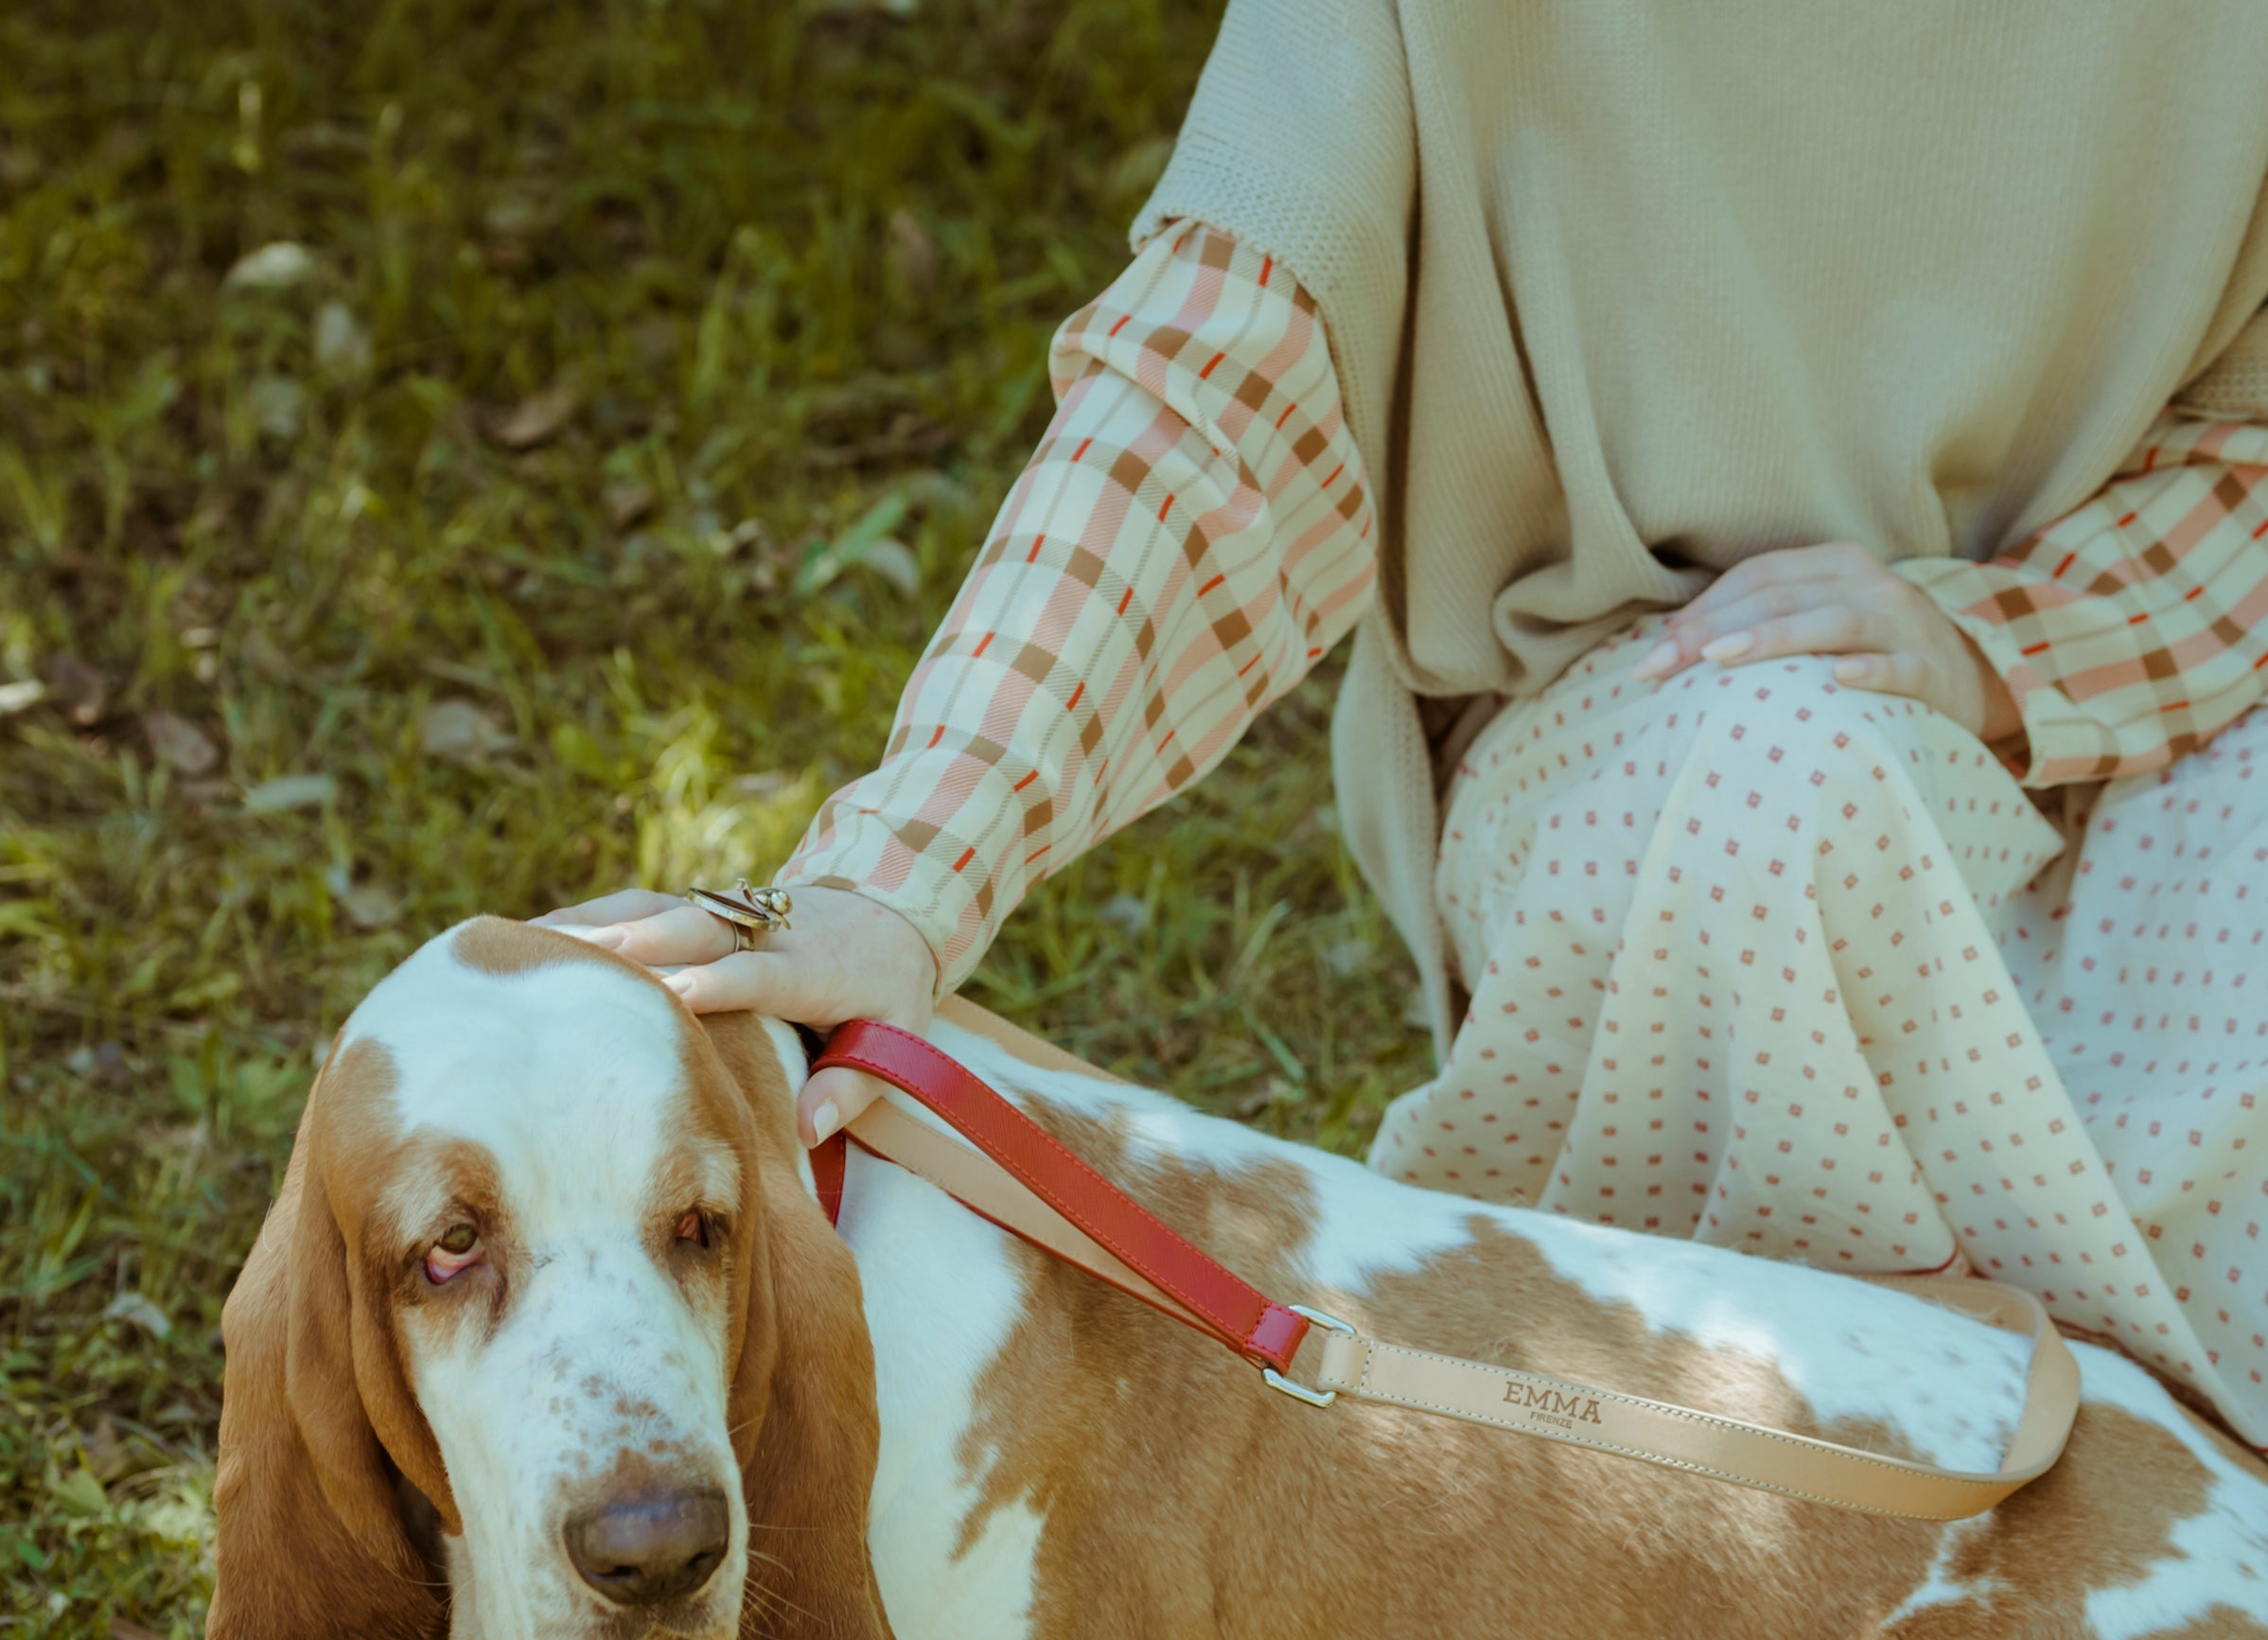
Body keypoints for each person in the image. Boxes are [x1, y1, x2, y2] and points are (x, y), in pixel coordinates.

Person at [547, 0, 2268, 1448]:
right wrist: (905, 870)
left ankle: (2172, 1522)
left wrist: (2001, 644)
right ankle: (1905, 1513)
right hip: (1667, 737)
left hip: (2138, 680)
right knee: (1779, 788)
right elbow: (1202, 412)